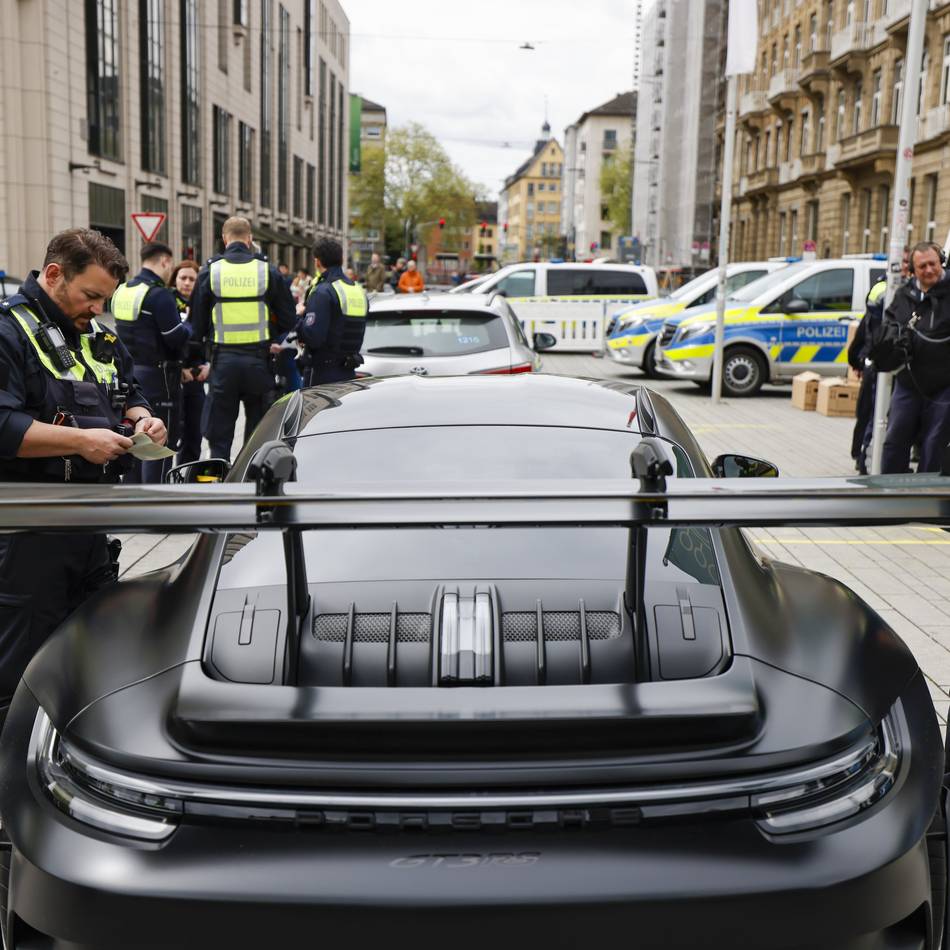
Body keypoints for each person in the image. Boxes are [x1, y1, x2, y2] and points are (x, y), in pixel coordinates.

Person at [0, 228, 166, 724]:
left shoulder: (97, 334)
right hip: (30, 533)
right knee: (21, 675)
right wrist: (79, 441)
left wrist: (143, 418)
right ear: (54, 275)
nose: (98, 309)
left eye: (105, 299)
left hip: (90, 526)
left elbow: (128, 389)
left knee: (88, 661)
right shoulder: (9, 333)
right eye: (91, 295)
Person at [189, 216, 296, 461]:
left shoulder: (211, 271)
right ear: (249, 239)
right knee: (258, 436)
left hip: (222, 364)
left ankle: (220, 478)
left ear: (224, 239)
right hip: (259, 363)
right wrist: (272, 335)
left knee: (219, 438)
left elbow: (196, 327)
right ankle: (249, 477)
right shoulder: (266, 271)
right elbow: (289, 319)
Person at [110, 241, 190, 483]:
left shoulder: (122, 290)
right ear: (165, 261)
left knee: (135, 441)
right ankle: (157, 497)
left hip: (129, 376)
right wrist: (189, 325)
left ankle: (133, 498)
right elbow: (175, 338)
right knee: (159, 444)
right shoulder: (160, 294)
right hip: (160, 378)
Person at [871, 241, 950, 474]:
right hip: (909, 381)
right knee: (895, 438)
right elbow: (889, 325)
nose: (929, 270)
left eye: (933, 264)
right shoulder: (905, 295)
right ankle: (889, 488)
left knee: (935, 442)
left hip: (944, 385)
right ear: (913, 270)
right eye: (922, 266)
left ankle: (928, 490)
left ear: (941, 262)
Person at [848, 248, 910, 474]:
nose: (904, 266)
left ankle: (868, 459)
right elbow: (872, 329)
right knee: (874, 415)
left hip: (889, 363)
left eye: (907, 262)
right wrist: (858, 359)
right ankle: (865, 460)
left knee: (877, 415)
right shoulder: (886, 290)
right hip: (880, 362)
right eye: (901, 262)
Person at [296, 237, 369, 385]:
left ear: (317, 262)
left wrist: (299, 317)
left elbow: (313, 337)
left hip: (323, 373)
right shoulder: (358, 290)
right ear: (341, 259)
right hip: (349, 372)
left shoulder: (322, 291)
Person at [170, 259, 208, 466]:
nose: (186, 283)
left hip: (197, 376)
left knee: (194, 433)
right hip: (173, 376)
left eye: (192, 279)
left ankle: (188, 476)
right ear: (175, 279)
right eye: (183, 278)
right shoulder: (167, 301)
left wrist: (209, 365)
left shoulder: (204, 303)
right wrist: (180, 369)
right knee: (173, 432)